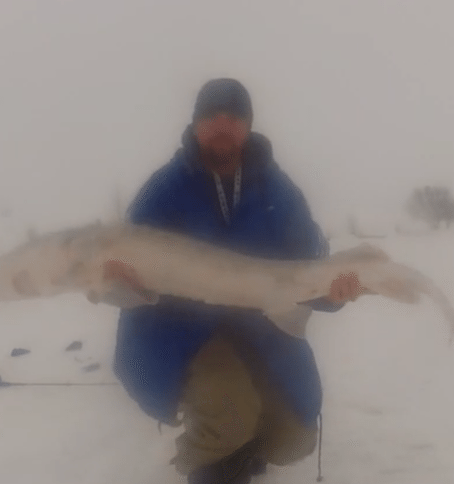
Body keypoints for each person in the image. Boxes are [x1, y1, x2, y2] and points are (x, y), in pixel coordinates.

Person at [108, 78, 363, 484]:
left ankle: (235, 455)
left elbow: (311, 263)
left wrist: (334, 294)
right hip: (177, 331)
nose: (222, 125)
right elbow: (117, 276)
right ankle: (207, 464)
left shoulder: (280, 191)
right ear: (195, 125)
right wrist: (118, 282)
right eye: (211, 116)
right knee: (230, 415)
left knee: (294, 438)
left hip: (260, 328)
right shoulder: (161, 191)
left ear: (248, 126)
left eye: (234, 117)